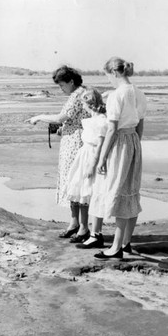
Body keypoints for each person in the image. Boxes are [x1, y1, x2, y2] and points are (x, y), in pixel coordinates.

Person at [89, 57, 147, 259]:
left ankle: (116, 248)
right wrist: (135, 146)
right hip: (133, 142)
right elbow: (140, 125)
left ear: (114, 73)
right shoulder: (139, 93)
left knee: (118, 190)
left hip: (120, 143)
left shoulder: (116, 95)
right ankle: (126, 242)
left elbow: (112, 129)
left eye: (108, 76)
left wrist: (103, 157)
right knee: (130, 190)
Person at [26, 66, 90, 239]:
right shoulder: (80, 94)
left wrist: (39, 117)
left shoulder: (77, 95)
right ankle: (75, 223)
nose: (61, 89)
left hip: (76, 142)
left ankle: (83, 227)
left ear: (71, 81)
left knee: (77, 183)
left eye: (62, 85)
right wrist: (64, 128)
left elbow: (61, 117)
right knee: (72, 183)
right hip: (74, 139)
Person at [65, 87, 108, 247]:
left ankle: (91, 231)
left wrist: (92, 165)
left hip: (91, 157)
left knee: (89, 192)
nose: (82, 107)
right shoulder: (90, 121)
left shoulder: (101, 121)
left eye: (83, 104)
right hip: (83, 155)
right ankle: (83, 228)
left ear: (89, 104)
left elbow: (100, 145)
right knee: (80, 191)